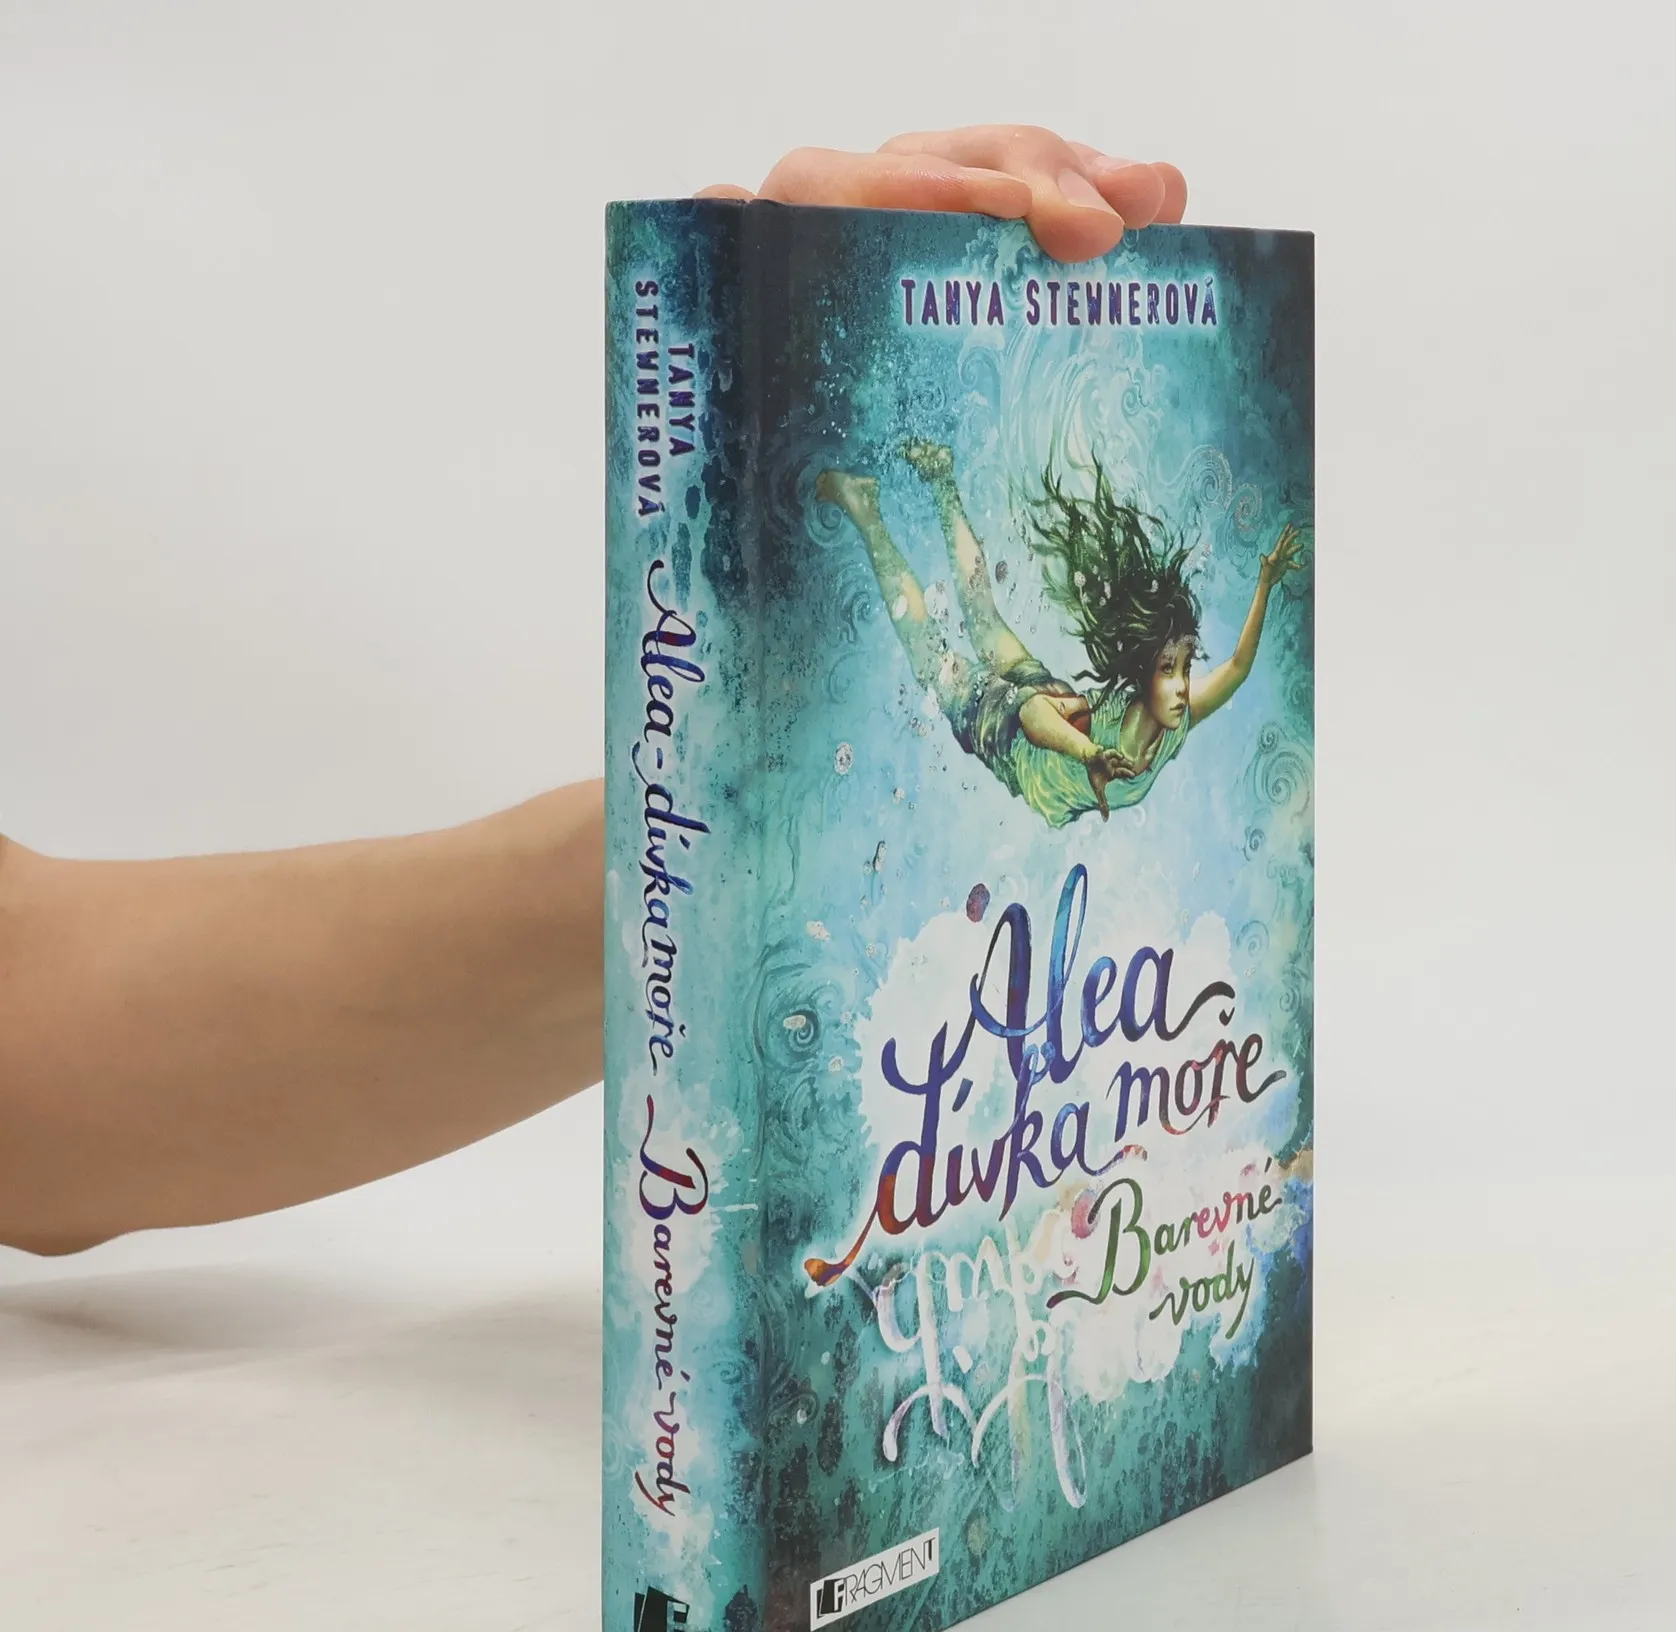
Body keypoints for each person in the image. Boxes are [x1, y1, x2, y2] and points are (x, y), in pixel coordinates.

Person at [0, 127, 1190, 1258]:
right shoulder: (1105, 742)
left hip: (1008, 729)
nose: (1184, 690)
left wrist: (686, 876)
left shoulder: (1148, 729)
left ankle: (888, 503)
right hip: (1005, 723)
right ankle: (887, 508)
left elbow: (35, 1053)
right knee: (955, 614)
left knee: (964, 610)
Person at [818, 440, 1304, 825]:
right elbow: (1031, 713)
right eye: (1167, 670)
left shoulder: (1175, 728)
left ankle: (941, 478)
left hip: (1044, 691)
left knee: (984, 618)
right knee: (931, 658)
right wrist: (1089, 753)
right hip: (1009, 738)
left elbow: (1237, 668)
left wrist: (1265, 584)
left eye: (1184, 669)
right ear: (1142, 674)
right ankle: (866, 511)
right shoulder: (1102, 722)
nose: (1181, 687)